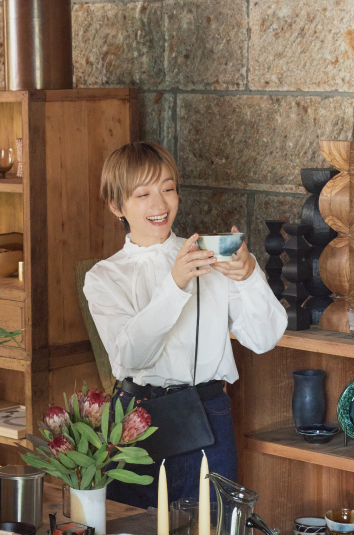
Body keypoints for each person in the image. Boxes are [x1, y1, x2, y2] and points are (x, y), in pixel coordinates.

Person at [85, 142, 286, 510]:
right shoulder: (104, 277)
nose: (159, 204)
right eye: (142, 194)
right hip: (134, 418)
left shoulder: (211, 257)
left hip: (208, 413)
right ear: (116, 206)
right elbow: (130, 356)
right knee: (131, 531)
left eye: (168, 188)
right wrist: (175, 285)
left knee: (212, 532)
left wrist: (249, 276)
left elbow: (264, 338)